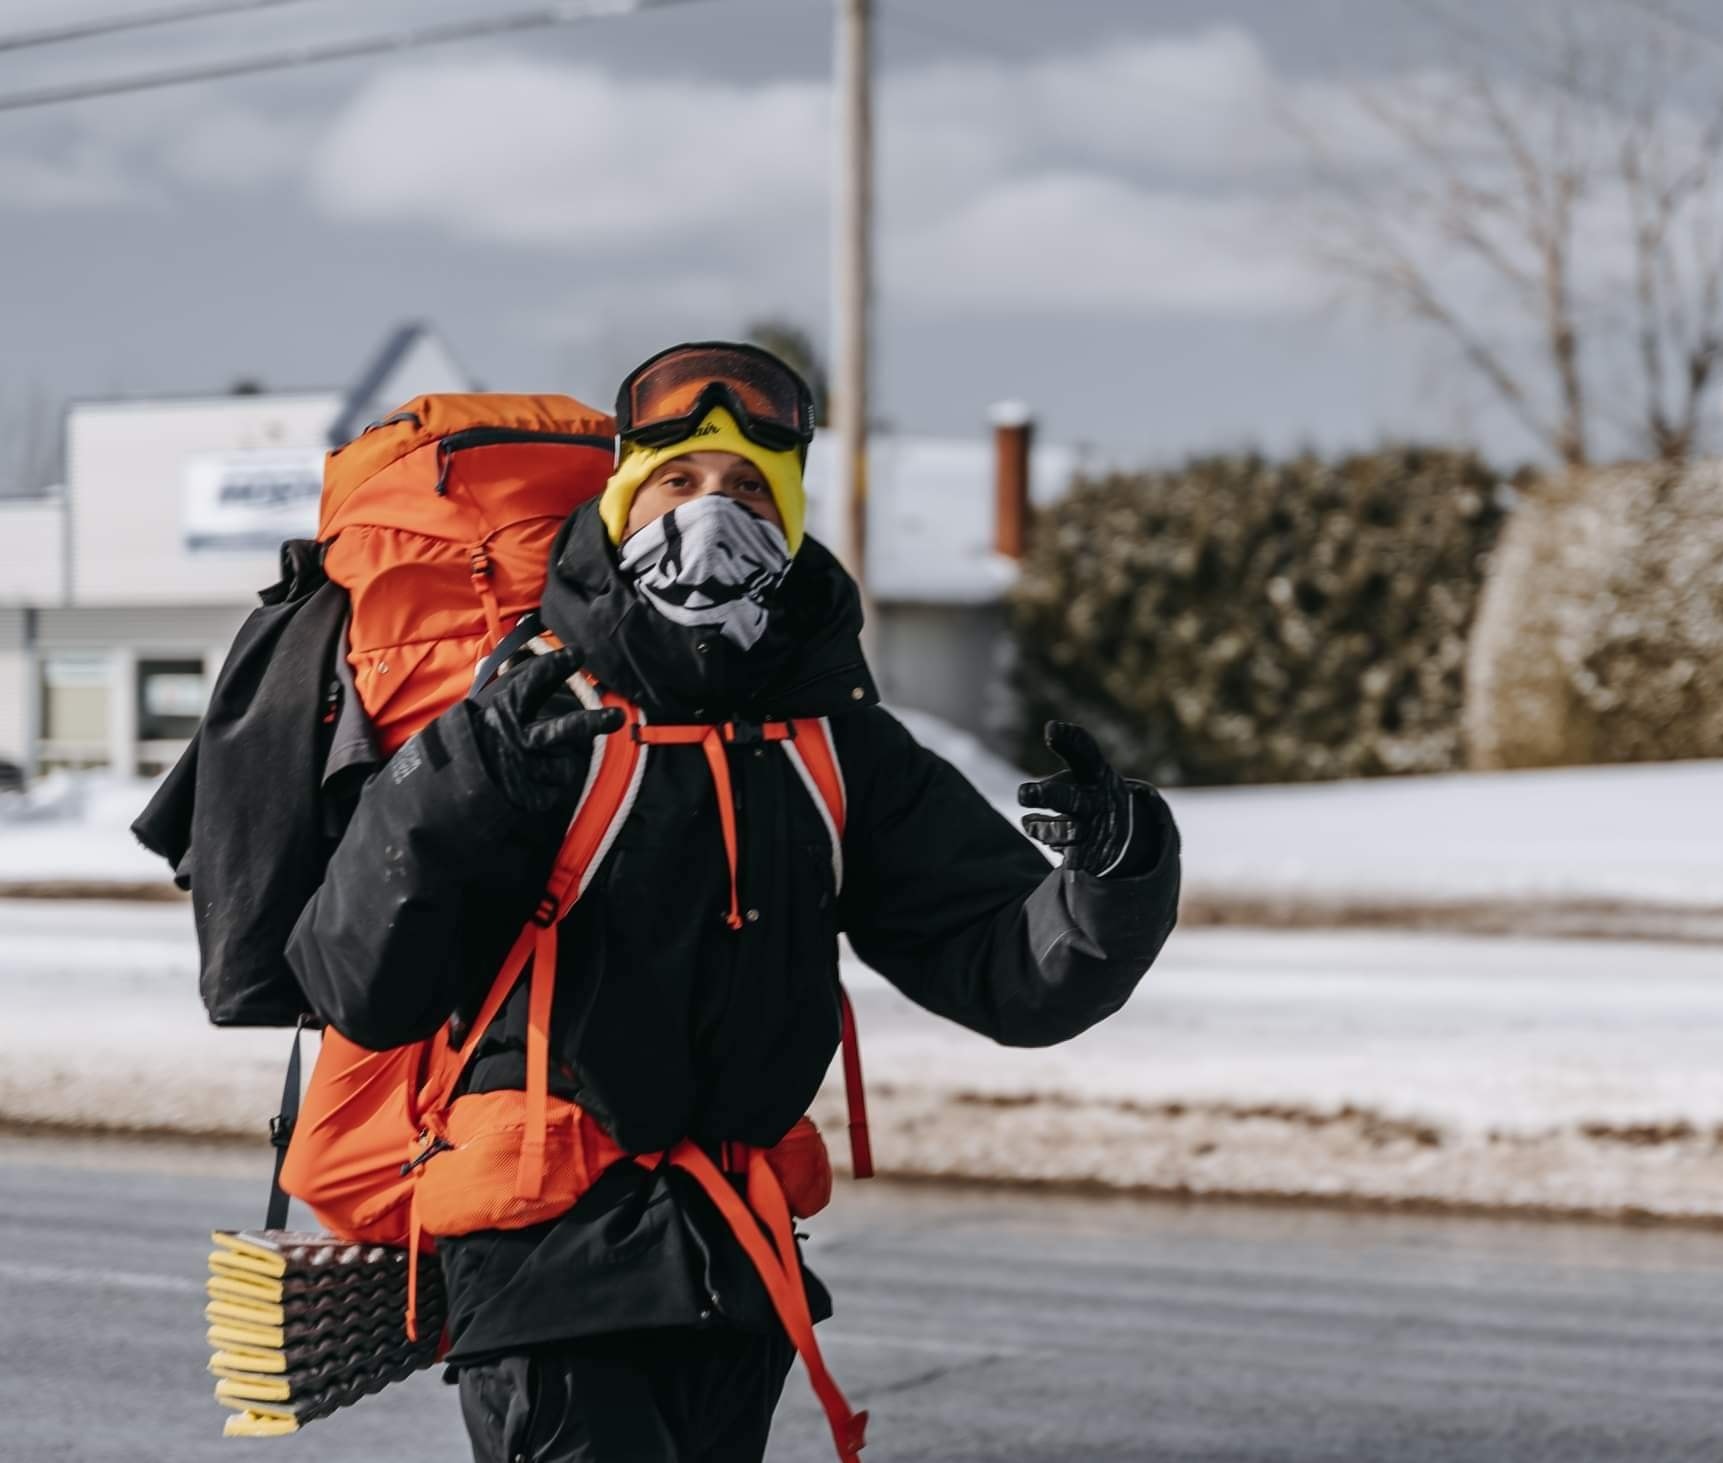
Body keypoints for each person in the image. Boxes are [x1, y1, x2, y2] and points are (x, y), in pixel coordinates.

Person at [283, 341, 1182, 1462]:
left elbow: (1008, 964)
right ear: (620, 503)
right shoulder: (536, 712)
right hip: (545, 1262)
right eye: (678, 482)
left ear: (793, 517)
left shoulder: (828, 739)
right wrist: (468, 764)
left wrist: (1116, 871)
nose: (713, 514)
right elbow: (358, 979)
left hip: (734, 1256)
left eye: (750, 489)